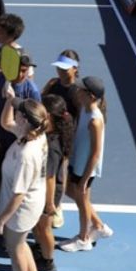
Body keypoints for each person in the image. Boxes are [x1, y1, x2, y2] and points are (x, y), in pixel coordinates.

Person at [0, 85, 50, 271]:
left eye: (18, 111)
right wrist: (10, 100)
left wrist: (1, 220)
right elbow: (6, 123)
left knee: (14, 249)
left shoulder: (27, 154)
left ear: (24, 120)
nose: (15, 113)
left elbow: (18, 194)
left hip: (21, 209)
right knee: (21, 243)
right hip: (30, 203)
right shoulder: (33, 134)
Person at [59, 77, 113, 253]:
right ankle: (98, 225)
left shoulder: (95, 121)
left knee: (82, 201)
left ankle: (83, 239)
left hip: (85, 169)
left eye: (80, 90)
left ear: (90, 96)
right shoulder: (84, 109)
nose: (77, 91)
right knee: (71, 192)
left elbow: (96, 153)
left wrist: (84, 180)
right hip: (77, 163)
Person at [41, 49, 84, 228]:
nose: (60, 72)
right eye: (59, 68)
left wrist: (71, 142)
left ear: (75, 69)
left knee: (59, 174)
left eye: (65, 69)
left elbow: (80, 117)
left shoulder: (77, 92)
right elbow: (42, 101)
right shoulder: (53, 83)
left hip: (65, 138)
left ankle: (57, 207)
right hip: (48, 134)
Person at [32, 94, 74, 271]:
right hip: (48, 190)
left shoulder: (51, 146)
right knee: (39, 226)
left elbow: (50, 177)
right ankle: (40, 248)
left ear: (48, 116)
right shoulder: (56, 135)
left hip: (47, 193)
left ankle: (48, 261)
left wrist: (49, 204)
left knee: (44, 228)